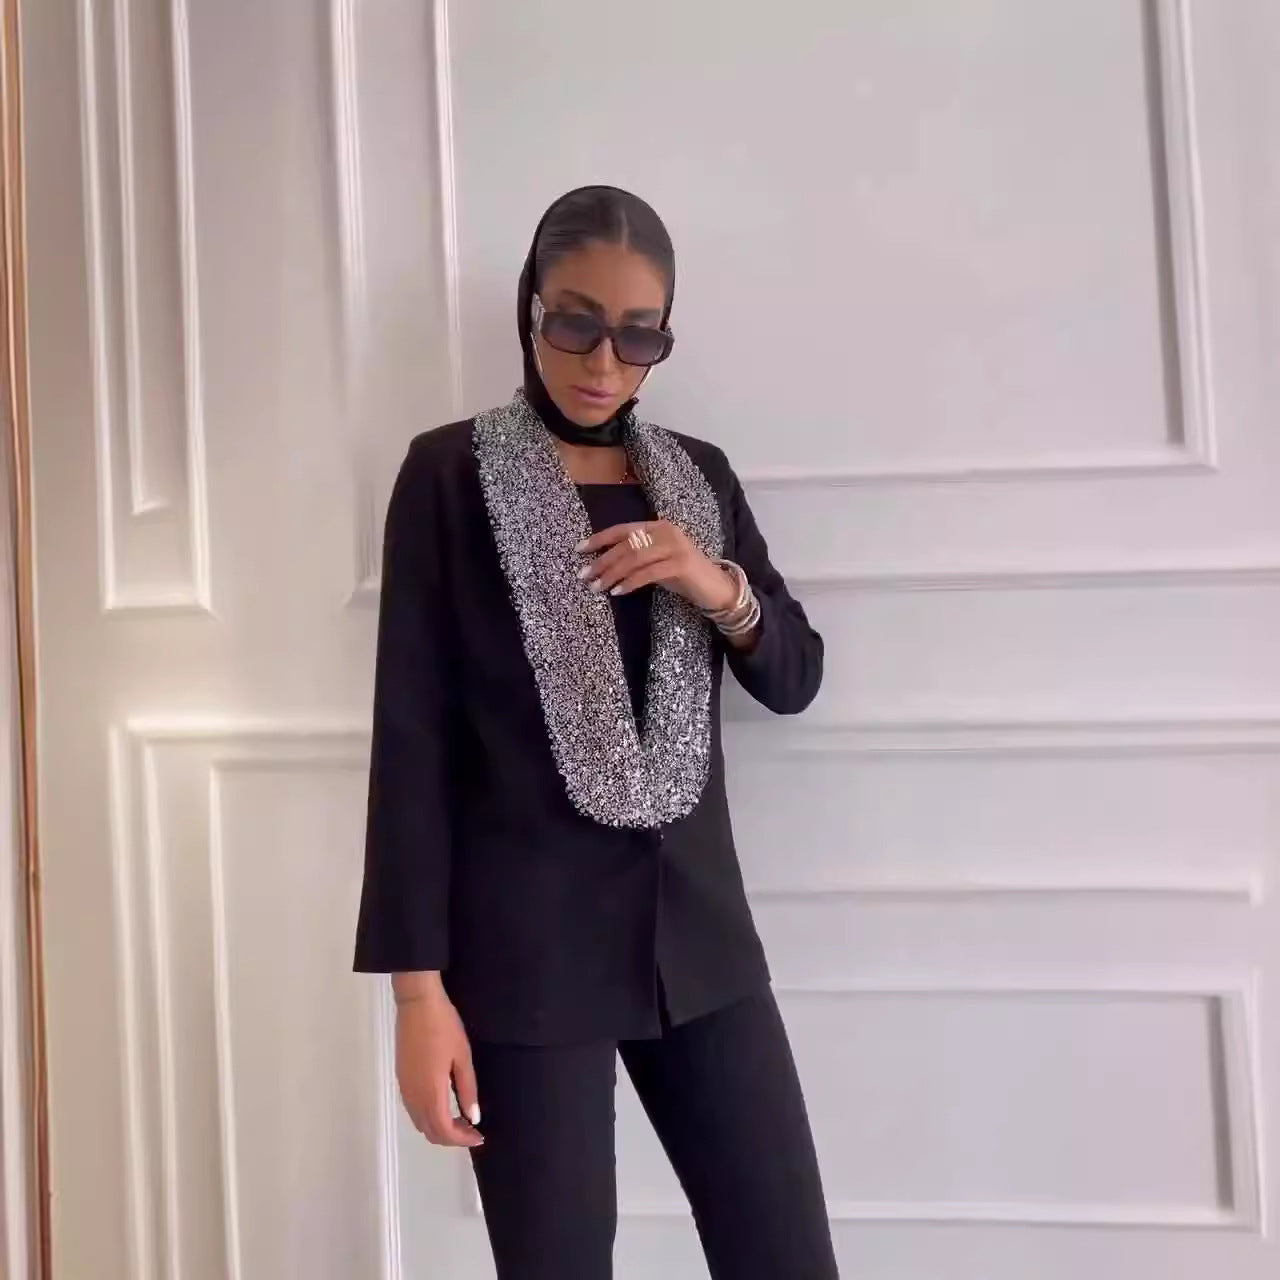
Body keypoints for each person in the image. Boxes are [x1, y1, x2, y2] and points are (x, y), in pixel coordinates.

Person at [353, 185, 839, 1279]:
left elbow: (795, 676)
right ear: (530, 309)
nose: (604, 362)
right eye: (574, 323)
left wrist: (710, 581)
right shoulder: (447, 477)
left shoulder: (697, 479)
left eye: (638, 335)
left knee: (786, 1257)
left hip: (700, 946)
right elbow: (413, 744)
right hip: (525, 959)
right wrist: (417, 996)